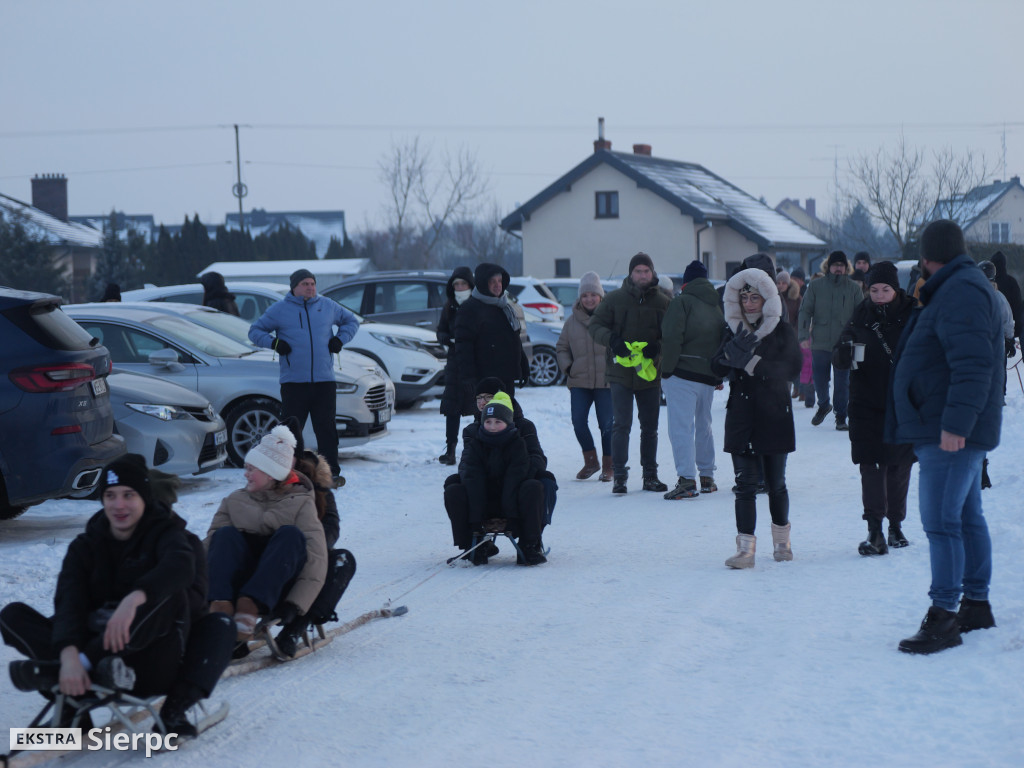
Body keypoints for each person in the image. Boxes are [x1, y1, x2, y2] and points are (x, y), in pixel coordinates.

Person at [1, 455, 233, 735]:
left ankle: (171, 709)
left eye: (128, 495)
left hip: (153, 658)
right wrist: (69, 652)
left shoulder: (172, 539)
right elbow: (69, 603)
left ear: (145, 500)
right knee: (13, 614)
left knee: (187, 606)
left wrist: (135, 599)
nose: (119, 504)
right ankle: (73, 695)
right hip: (96, 651)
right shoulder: (86, 545)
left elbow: (182, 577)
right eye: (110, 495)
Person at [887, 219, 1003, 655]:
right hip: (947, 425)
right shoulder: (959, 286)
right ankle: (975, 603)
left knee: (941, 521)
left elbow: (973, 364)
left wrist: (956, 425)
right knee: (966, 516)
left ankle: (944, 617)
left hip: (948, 430)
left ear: (929, 255)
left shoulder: (961, 290)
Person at [711, 268, 802, 569]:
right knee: (744, 484)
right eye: (745, 297)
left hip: (774, 413)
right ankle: (745, 550)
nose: (750, 303)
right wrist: (727, 357)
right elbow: (714, 366)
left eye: (756, 297)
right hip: (741, 414)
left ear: (768, 299)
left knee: (776, 483)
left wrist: (751, 362)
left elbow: (791, 369)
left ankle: (782, 543)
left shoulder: (781, 330)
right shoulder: (732, 328)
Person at [205, 425, 328, 644]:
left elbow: (316, 558)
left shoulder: (301, 504)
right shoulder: (234, 501)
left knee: (290, 536)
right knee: (224, 535)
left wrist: (295, 605)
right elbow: (210, 548)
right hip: (236, 584)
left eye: (252, 469)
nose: (246, 474)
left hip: (278, 588)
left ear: (271, 474)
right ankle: (220, 605)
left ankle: (249, 606)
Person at [832, 261, 917, 556]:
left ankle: (895, 525)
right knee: (869, 465)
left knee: (897, 466)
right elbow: (840, 357)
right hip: (865, 402)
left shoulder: (913, 316)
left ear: (896, 289)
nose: (879, 295)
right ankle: (875, 529)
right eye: (874, 290)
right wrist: (843, 351)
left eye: (885, 289)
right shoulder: (860, 316)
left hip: (902, 403)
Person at [249, 268, 358, 482]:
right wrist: (274, 343)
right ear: (294, 287)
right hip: (294, 382)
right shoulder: (280, 309)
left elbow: (351, 322)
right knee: (290, 432)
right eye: (305, 284)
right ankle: (290, 472)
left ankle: (330, 473)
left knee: (326, 429)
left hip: (324, 380)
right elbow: (255, 331)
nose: (310, 287)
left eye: (312, 283)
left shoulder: (327, 306)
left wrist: (340, 339)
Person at [588, 252, 671, 494]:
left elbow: (674, 334)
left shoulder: (663, 302)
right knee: (621, 424)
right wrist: (612, 340)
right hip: (620, 372)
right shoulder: (614, 299)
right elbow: (595, 326)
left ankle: (650, 475)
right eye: (638, 271)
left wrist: (659, 347)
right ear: (631, 273)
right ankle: (620, 476)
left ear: (652, 273)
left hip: (648, 373)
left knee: (650, 427)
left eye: (647, 271)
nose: (643, 275)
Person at [443, 392, 547, 566]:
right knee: (454, 489)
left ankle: (529, 546)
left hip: (512, 501)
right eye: (488, 422)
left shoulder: (517, 444)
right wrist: (476, 522)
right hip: (483, 501)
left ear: (507, 423)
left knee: (533, 487)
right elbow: (472, 479)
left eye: (498, 422)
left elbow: (515, 478)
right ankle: (472, 546)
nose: (492, 426)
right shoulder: (475, 445)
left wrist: (511, 517)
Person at [660, 259, 724, 499]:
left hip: (682, 374)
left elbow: (671, 337)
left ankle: (686, 480)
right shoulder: (716, 306)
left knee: (681, 429)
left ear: (685, 282)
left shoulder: (681, 302)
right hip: (707, 376)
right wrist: (717, 374)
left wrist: (666, 371)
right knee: (704, 426)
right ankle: (707, 476)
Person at [556, 271, 613, 482]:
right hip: (579, 380)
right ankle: (591, 461)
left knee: (607, 424)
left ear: (600, 296)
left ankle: (609, 465)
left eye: (593, 295)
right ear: (580, 297)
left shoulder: (610, 319)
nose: (589, 299)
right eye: (585, 295)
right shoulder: (571, 322)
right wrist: (568, 368)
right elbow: (561, 347)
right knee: (578, 421)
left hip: (606, 382)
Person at [797, 250, 863, 430]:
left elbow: (861, 315)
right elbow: (805, 311)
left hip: (844, 343)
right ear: (828, 266)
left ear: (846, 267)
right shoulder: (816, 286)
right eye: (835, 265)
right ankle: (824, 404)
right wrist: (803, 335)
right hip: (820, 341)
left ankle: (841, 416)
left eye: (841, 265)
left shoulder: (853, 288)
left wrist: (859, 338)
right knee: (819, 378)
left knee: (842, 382)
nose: (838, 268)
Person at [452, 263, 528, 399]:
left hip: (506, 377)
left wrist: (523, 365)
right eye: (492, 281)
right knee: (486, 419)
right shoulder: (469, 309)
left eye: (499, 281)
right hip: (484, 380)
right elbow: (463, 347)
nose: (497, 285)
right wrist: (468, 377)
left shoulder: (505, 307)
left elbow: (513, 339)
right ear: (482, 283)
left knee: (506, 417)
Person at [436, 266, 476, 465]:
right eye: (456, 284)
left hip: (475, 363)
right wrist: (447, 339)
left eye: (463, 283)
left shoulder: (477, 305)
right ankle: (450, 449)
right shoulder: (449, 306)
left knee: (479, 405)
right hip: (454, 363)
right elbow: (440, 331)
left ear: (470, 285)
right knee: (452, 408)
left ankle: (478, 448)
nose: (460, 287)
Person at [776, 270, 803, 399]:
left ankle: (788, 392)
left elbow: (800, 318)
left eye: (783, 283)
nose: (781, 285)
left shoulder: (796, 298)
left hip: (791, 337)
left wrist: (795, 335)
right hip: (775, 338)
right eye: (778, 283)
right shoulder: (771, 297)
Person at [990, 251, 1022, 340]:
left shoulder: (988, 284)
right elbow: (1017, 306)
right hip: (1008, 328)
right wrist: (1017, 329)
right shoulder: (1011, 282)